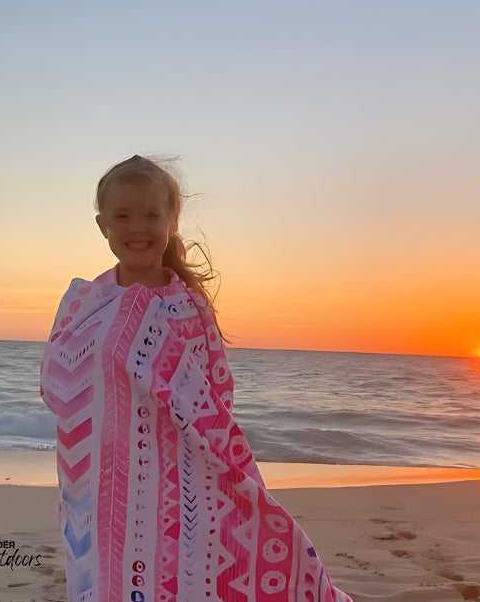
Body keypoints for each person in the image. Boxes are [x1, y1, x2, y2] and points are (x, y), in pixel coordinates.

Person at [40, 155, 352, 602]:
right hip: (101, 479)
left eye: (151, 214)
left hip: (174, 476)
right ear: (102, 225)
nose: (138, 227)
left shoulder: (186, 307)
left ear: (171, 221)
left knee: (180, 569)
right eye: (123, 215)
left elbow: (214, 395)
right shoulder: (85, 304)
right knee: (108, 571)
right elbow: (58, 379)